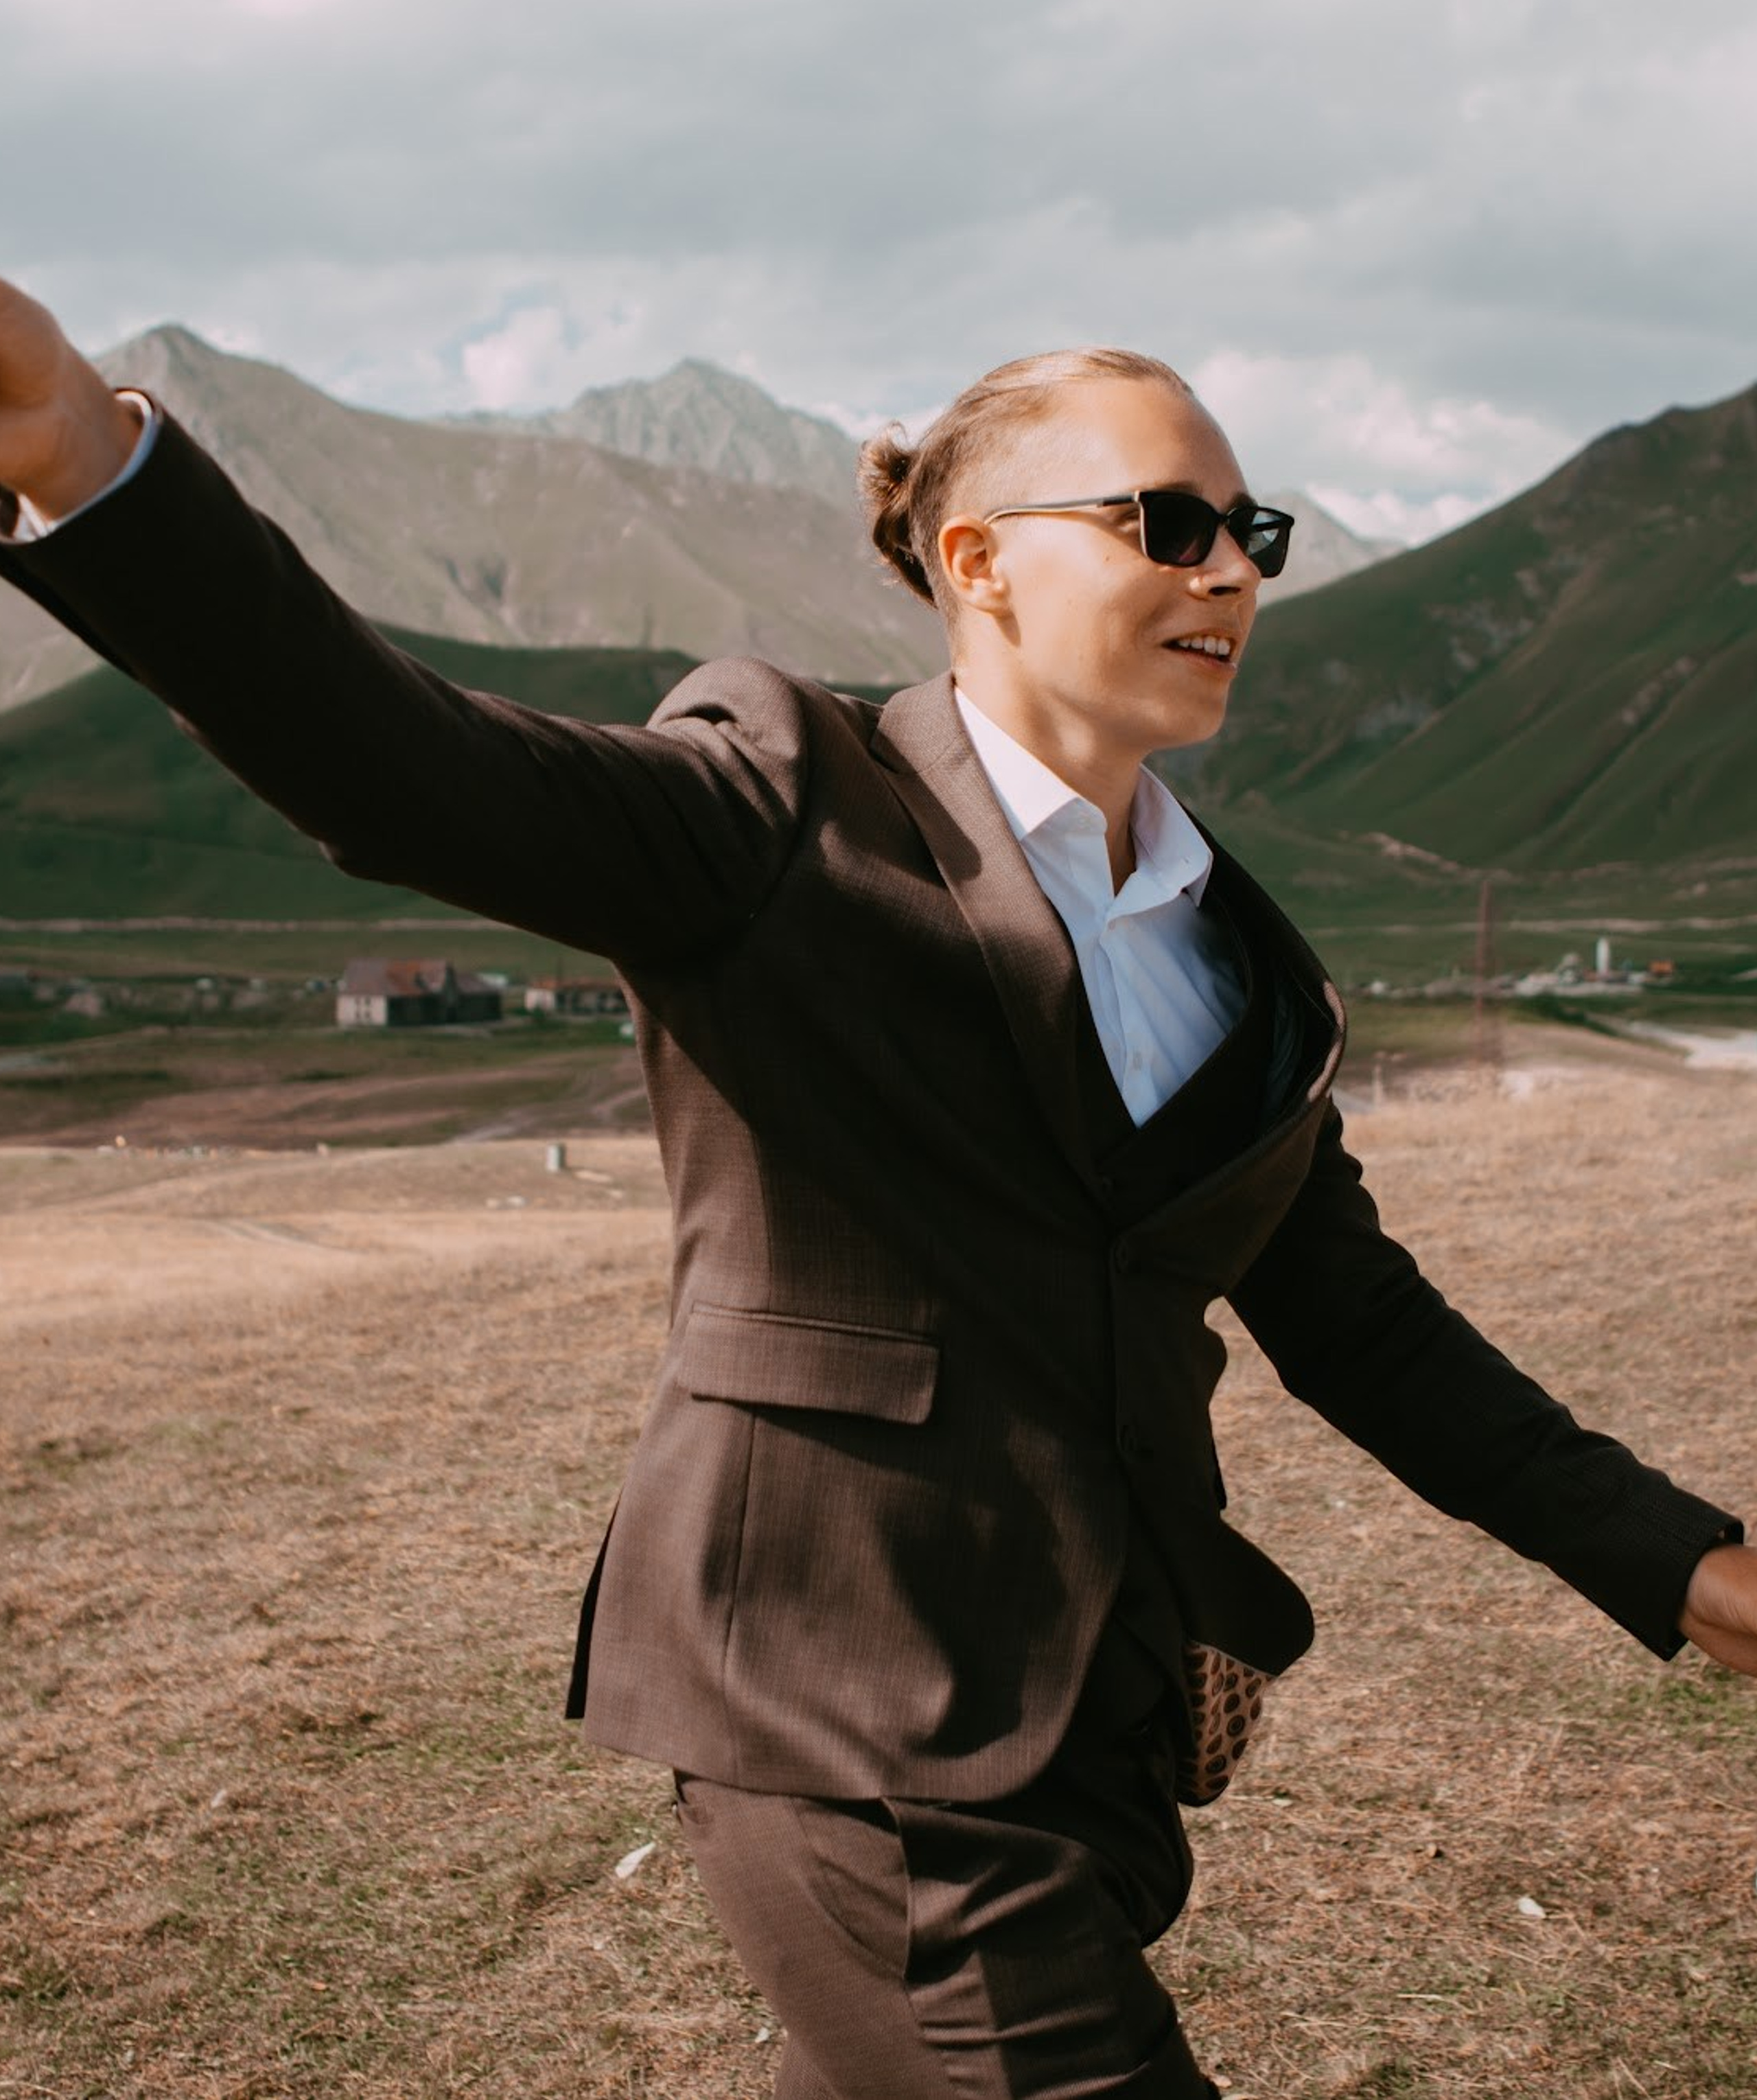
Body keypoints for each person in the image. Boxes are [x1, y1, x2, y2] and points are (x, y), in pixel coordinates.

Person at [1, 273, 1752, 2100]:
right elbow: (403, 768)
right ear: (981, 562)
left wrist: (1694, 1570)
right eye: (1168, 525)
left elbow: (1371, 1335)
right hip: (843, 1726)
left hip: (1105, 1727)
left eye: (1253, 533)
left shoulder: (1247, 955)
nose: (1232, 572)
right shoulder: (782, 799)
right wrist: (88, 458)